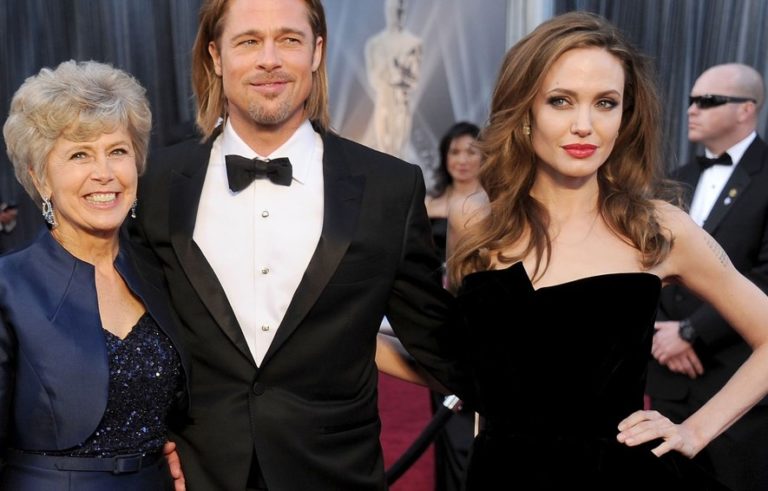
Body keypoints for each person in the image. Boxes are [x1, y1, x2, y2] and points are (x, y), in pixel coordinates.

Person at [126, 0, 467, 489]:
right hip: (197, 477)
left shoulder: (388, 188)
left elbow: (439, 341)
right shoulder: (155, 182)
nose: (270, 59)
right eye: (249, 41)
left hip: (336, 474)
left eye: (288, 39)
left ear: (316, 51)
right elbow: (136, 334)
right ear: (216, 56)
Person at [446, 11, 768, 490]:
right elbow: (460, 357)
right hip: (500, 474)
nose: (584, 125)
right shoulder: (476, 221)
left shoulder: (658, 228)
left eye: (605, 103)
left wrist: (695, 431)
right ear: (525, 110)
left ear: (625, 116)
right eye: (560, 101)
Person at [0, 60, 188, 490]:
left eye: (117, 151)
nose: (104, 173)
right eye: (79, 154)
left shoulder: (161, 272)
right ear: (41, 179)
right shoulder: (8, 286)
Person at [646, 63, 768, 491]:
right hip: (667, 383)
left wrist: (690, 332)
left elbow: (765, 276)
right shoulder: (677, 178)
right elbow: (648, 260)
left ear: (746, 109)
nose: (692, 109)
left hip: (735, 381)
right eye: (691, 100)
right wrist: (662, 334)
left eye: (707, 101)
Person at [424, 121, 481, 491]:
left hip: (475, 321)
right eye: (455, 151)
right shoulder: (427, 205)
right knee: (445, 429)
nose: (462, 160)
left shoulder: (495, 208)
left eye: (471, 152)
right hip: (436, 320)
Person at [364, 0, 422, 158]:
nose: (397, 14)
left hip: (401, 105)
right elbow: (374, 79)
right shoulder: (374, 44)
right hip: (384, 103)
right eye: (393, 9)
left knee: (399, 152)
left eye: (401, 10)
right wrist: (390, 72)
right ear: (387, 10)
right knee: (384, 150)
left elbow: (414, 81)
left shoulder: (414, 44)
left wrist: (399, 74)